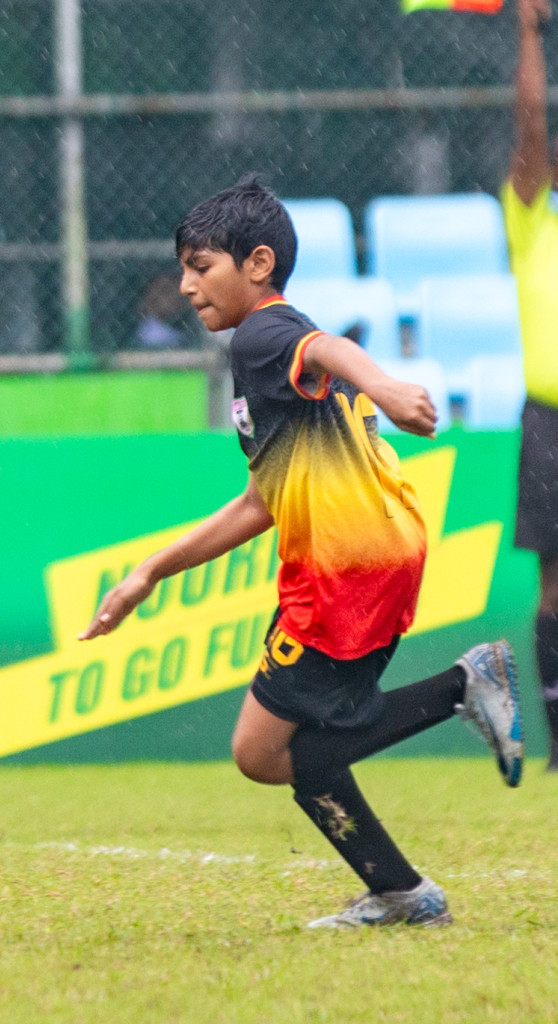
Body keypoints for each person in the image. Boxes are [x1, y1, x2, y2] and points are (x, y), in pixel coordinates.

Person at [80, 175, 524, 929]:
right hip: (376, 553)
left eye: (200, 265)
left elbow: (329, 346)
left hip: (347, 566)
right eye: (183, 268)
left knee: (263, 750)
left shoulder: (264, 333)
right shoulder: (266, 348)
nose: (186, 286)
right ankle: (402, 892)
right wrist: (148, 573)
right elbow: (262, 500)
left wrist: (383, 385)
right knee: (297, 752)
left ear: (257, 264)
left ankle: (463, 686)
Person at [506, 0, 558, 770]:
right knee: (555, 589)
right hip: (550, 422)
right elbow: (529, 129)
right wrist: (527, 31)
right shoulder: (534, 220)